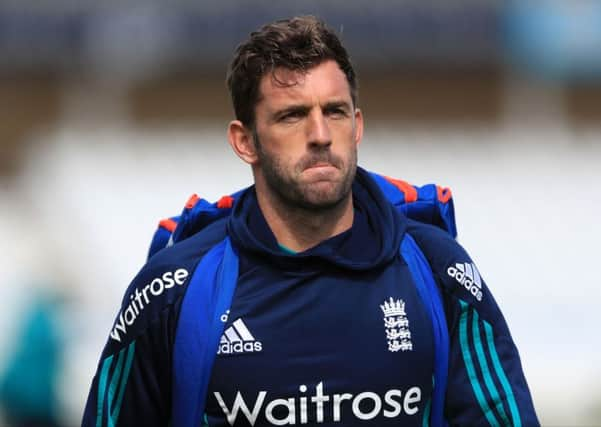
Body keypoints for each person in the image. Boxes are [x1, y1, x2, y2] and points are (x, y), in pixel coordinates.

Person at [82, 16, 539, 427]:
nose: (320, 135)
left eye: (334, 112)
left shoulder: (438, 270)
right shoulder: (175, 288)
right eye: (292, 115)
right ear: (246, 142)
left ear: (356, 126)